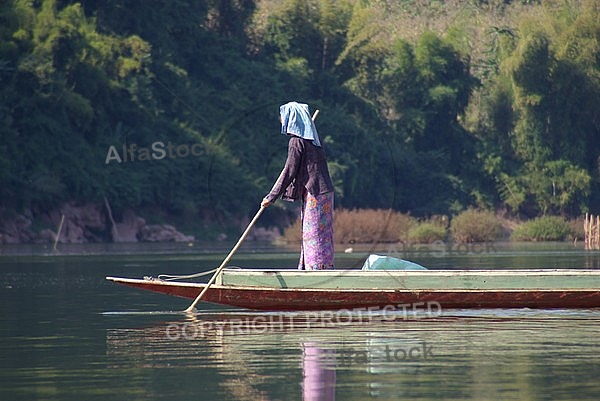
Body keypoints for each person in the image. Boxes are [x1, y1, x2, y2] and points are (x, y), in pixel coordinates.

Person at [261, 101, 335, 270]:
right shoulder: (314, 140)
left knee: (314, 233)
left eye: (283, 116)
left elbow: (289, 171)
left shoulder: (297, 142)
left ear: (292, 119)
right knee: (318, 233)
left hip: (315, 193)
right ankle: (311, 267)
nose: (281, 119)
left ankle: (316, 269)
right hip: (324, 192)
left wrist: (270, 197)